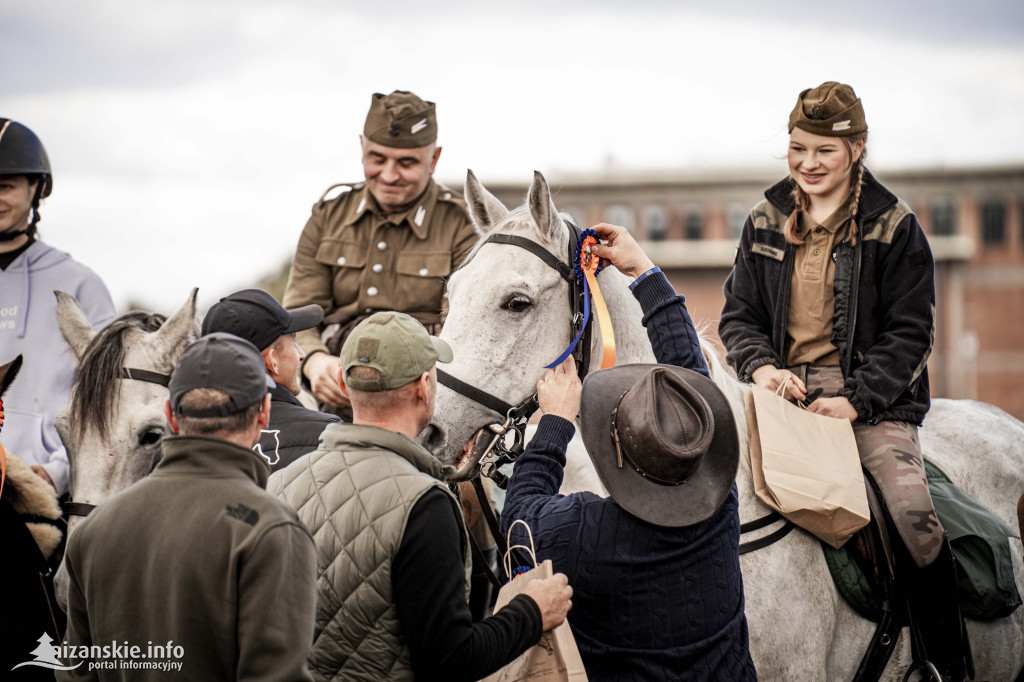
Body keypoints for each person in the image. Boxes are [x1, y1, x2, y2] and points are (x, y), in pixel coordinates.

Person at [719, 82, 969, 679]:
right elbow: (738, 317)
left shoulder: (896, 226)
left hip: (872, 407)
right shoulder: (764, 220)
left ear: (857, 148)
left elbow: (911, 335)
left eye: (823, 151)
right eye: (797, 148)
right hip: (780, 396)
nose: (807, 163)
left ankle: (945, 665)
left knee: (917, 524)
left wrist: (854, 403)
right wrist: (763, 369)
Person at [501, 223, 757, 681]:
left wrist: (554, 423)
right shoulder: (720, 508)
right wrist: (643, 270)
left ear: (615, 454)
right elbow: (689, 373)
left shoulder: (585, 534)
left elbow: (518, 517)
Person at [268, 312, 573, 681]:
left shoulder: (280, 484)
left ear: (345, 385)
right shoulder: (423, 503)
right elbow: (451, 660)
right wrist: (534, 611)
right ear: (424, 386)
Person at [60, 333, 317, 681]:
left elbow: (75, 673)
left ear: (171, 416)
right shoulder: (271, 530)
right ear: (264, 413)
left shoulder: (90, 533)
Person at [282, 90, 477, 412]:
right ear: (362, 148)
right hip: (328, 386)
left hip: (423, 386)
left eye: (407, 162)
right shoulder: (328, 216)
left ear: (434, 159)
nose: (388, 175)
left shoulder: (461, 224)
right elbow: (299, 312)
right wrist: (314, 362)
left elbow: (462, 330)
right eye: (377, 159)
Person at [0, 118, 116, 495]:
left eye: (5, 186)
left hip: (45, 488)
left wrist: (58, 473)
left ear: (37, 188)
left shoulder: (80, 284)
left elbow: (110, 397)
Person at [201, 288, 339, 471]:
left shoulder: (185, 450)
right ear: (272, 361)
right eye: (293, 343)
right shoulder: (329, 435)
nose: (302, 354)